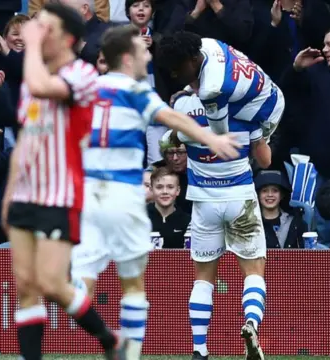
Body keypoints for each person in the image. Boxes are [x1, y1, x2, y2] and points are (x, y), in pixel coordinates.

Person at [69, 24, 242, 360]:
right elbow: (172, 118)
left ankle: (77, 312)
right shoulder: (136, 91)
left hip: (88, 196)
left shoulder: (86, 88)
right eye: (142, 50)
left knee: (82, 284)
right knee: (133, 286)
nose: (148, 55)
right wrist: (212, 139)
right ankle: (128, 353)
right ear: (126, 58)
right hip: (123, 195)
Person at [0, 4, 121, 360]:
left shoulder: (82, 74)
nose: (35, 33)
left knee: (53, 283)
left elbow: (41, 85)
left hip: (60, 195)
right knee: (26, 287)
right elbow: (24, 140)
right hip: (25, 194)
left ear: (67, 38)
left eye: (44, 28)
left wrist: (31, 47)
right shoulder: (31, 78)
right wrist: (9, 197)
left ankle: (106, 338)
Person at [168, 88, 272, 360]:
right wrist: (263, 134)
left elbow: (168, 144)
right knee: (253, 271)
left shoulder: (184, 105)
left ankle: (199, 350)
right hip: (240, 199)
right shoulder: (245, 108)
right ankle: (251, 323)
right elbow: (265, 160)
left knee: (203, 279)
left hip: (204, 202)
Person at [156, 30, 285, 144]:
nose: (173, 74)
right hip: (261, 92)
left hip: (265, 113)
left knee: (250, 157)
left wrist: (178, 135)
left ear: (193, 59)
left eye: (177, 68)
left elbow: (220, 137)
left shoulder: (211, 90)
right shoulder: (207, 43)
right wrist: (186, 90)